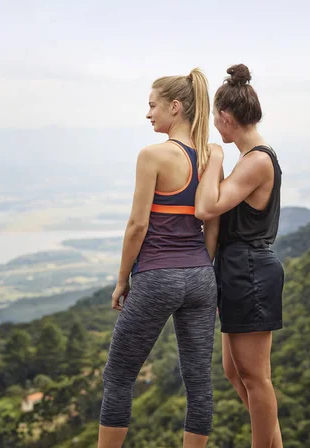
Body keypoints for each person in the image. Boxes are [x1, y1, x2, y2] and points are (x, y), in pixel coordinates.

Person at [98, 69, 219, 448]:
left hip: (156, 276)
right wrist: (202, 267)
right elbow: (213, 222)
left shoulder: (152, 156)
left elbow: (137, 225)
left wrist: (123, 281)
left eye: (152, 105)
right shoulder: (211, 156)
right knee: (199, 383)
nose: (148, 114)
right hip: (201, 276)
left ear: (175, 106)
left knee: (118, 377)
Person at [195, 64, 284, 448]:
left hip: (250, 269)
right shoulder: (249, 159)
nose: (215, 126)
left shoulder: (257, 160)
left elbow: (207, 207)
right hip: (236, 270)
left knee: (255, 376)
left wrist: (214, 157)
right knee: (235, 372)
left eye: (216, 119)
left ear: (226, 118)